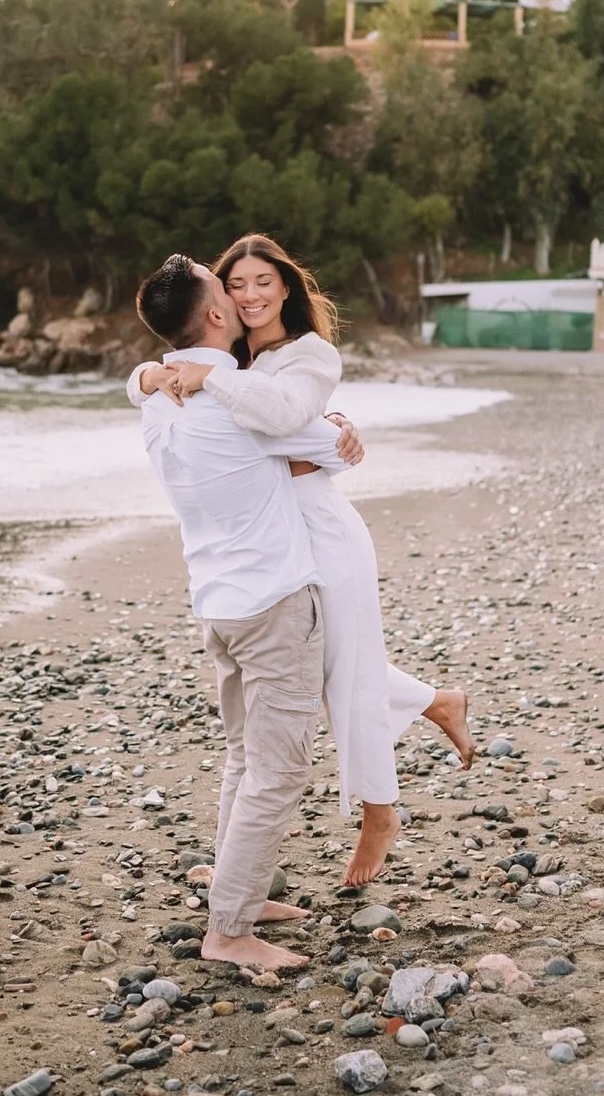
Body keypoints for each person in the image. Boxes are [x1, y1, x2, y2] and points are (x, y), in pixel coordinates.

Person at [128, 233, 474, 887]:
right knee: (329, 671)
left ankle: (380, 811)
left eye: (265, 281)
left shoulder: (308, 354)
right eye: (237, 284)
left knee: (344, 676)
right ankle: (437, 702)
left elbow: (303, 427)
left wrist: (227, 391)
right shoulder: (226, 355)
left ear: (286, 287)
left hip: (320, 528)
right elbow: (161, 378)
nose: (251, 293)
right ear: (219, 304)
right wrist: (152, 374)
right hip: (270, 536)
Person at [136, 252, 361, 971]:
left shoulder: (157, 396)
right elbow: (332, 448)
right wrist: (338, 426)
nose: (239, 295)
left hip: (217, 603)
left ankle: (242, 891)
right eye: (224, 287)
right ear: (214, 315)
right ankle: (229, 931)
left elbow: (140, 379)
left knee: (244, 756)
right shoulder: (233, 403)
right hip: (271, 603)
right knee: (278, 769)